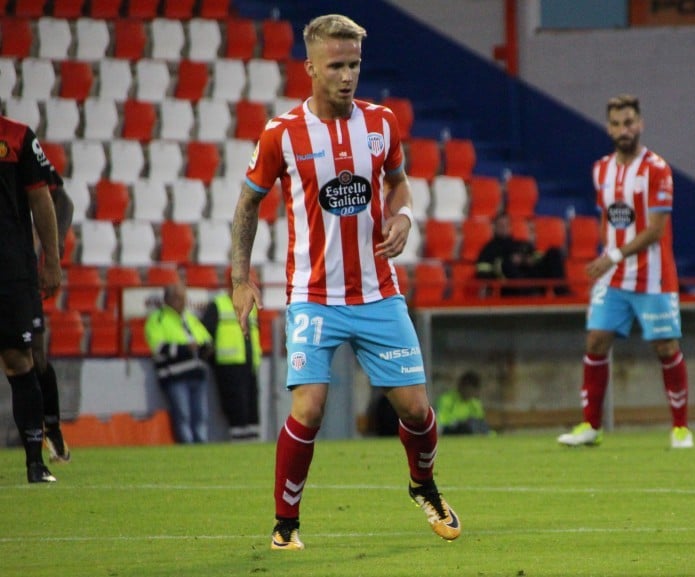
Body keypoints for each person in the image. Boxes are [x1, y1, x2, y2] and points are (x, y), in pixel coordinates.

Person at [229, 14, 460, 551]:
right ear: (310, 67)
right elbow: (247, 202)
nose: (348, 75)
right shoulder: (282, 134)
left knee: (417, 411)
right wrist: (240, 279)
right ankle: (286, 523)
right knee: (308, 407)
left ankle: (423, 485)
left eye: (354, 63)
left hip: (379, 292)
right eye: (336, 65)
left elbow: (399, 183)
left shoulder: (381, 124)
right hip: (313, 295)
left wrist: (404, 217)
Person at [556, 94, 692, 450]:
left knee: (665, 346)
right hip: (614, 275)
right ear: (608, 128)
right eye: (616, 124)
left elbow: (656, 230)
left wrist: (611, 254)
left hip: (654, 276)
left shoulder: (657, 169)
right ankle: (591, 426)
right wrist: (608, 253)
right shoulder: (601, 169)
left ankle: (681, 428)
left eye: (629, 122)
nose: (623, 130)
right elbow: (606, 217)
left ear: (640, 124)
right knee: (596, 340)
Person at [0, 115, 63, 483]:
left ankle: (34, 463)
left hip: (11, 269)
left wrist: (51, 261)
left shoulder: (17, 137)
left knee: (21, 358)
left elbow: (44, 198)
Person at [34, 158, 74, 464]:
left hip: (15, 270)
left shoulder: (15, 142)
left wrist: (53, 249)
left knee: (33, 356)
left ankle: (52, 427)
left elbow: (62, 199)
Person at [145, 281, 214, 444]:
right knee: (182, 415)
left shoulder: (190, 318)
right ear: (168, 300)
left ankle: (201, 447)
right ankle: (187, 449)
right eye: (178, 298)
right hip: (175, 375)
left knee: (201, 416)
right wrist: (187, 348)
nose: (182, 302)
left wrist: (205, 347)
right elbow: (158, 347)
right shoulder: (157, 319)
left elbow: (206, 339)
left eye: (183, 298)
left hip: (197, 373)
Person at [201, 288, 261, 441]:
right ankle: (240, 443)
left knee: (251, 408)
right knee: (236, 408)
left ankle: (253, 443)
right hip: (228, 367)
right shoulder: (218, 305)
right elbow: (204, 335)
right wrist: (213, 361)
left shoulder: (251, 307)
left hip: (249, 365)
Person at [475, 212, 566, 296]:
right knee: (506, 263)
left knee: (553, 252)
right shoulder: (489, 249)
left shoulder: (521, 244)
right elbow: (483, 272)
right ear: (494, 227)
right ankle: (529, 293)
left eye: (506, 225)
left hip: (531, 278)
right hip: (509, 287)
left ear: (510, 227)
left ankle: (562, 293)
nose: (504, 227)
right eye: (500, 225)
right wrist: (509, 262)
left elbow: (538, 257)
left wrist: (525, 260)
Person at [437, 371, 490, 435]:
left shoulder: (474, 403)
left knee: (475, 424)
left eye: (473, 391)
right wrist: (461, 421)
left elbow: (480, 422)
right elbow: (441, 420)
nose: (471, 393)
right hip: (450, 429)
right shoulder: (446, 399)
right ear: (462, 386)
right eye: (469, 389)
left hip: (469, 429)